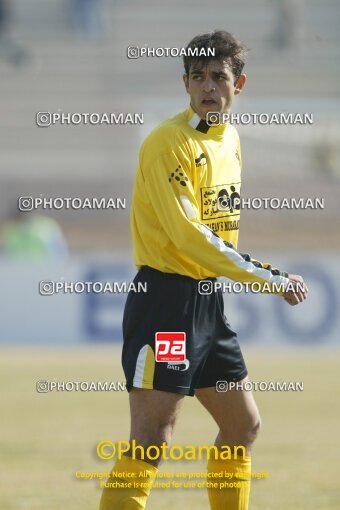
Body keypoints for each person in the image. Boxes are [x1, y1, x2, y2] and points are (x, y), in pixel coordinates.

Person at [99, 30, 308, 510]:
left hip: (208, 306)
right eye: (198, 77)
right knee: (152, 440)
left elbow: (219, 233)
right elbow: (189, 234)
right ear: (185, 84)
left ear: (240, 85)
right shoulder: (166, 143)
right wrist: (270, 277)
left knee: (242, 426)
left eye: (219, 77)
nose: (208, 87)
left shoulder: (230, 139)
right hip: (166, 305)